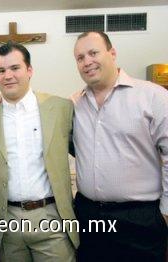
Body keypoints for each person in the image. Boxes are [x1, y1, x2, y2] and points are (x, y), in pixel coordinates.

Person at [0, 41, 79, 262]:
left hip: (52, 218)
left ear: (29, 70)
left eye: (15, 68)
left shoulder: (61, 108)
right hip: (7, 221)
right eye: (1, 70)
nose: (8, 75)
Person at [72, 31, 168, 261]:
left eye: (93, 53)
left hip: (139, 218)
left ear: (112, 53)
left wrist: (165, 212)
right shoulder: (74, 104)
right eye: (80, 57)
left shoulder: (153, 96)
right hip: (89, 216)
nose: (87, 62)